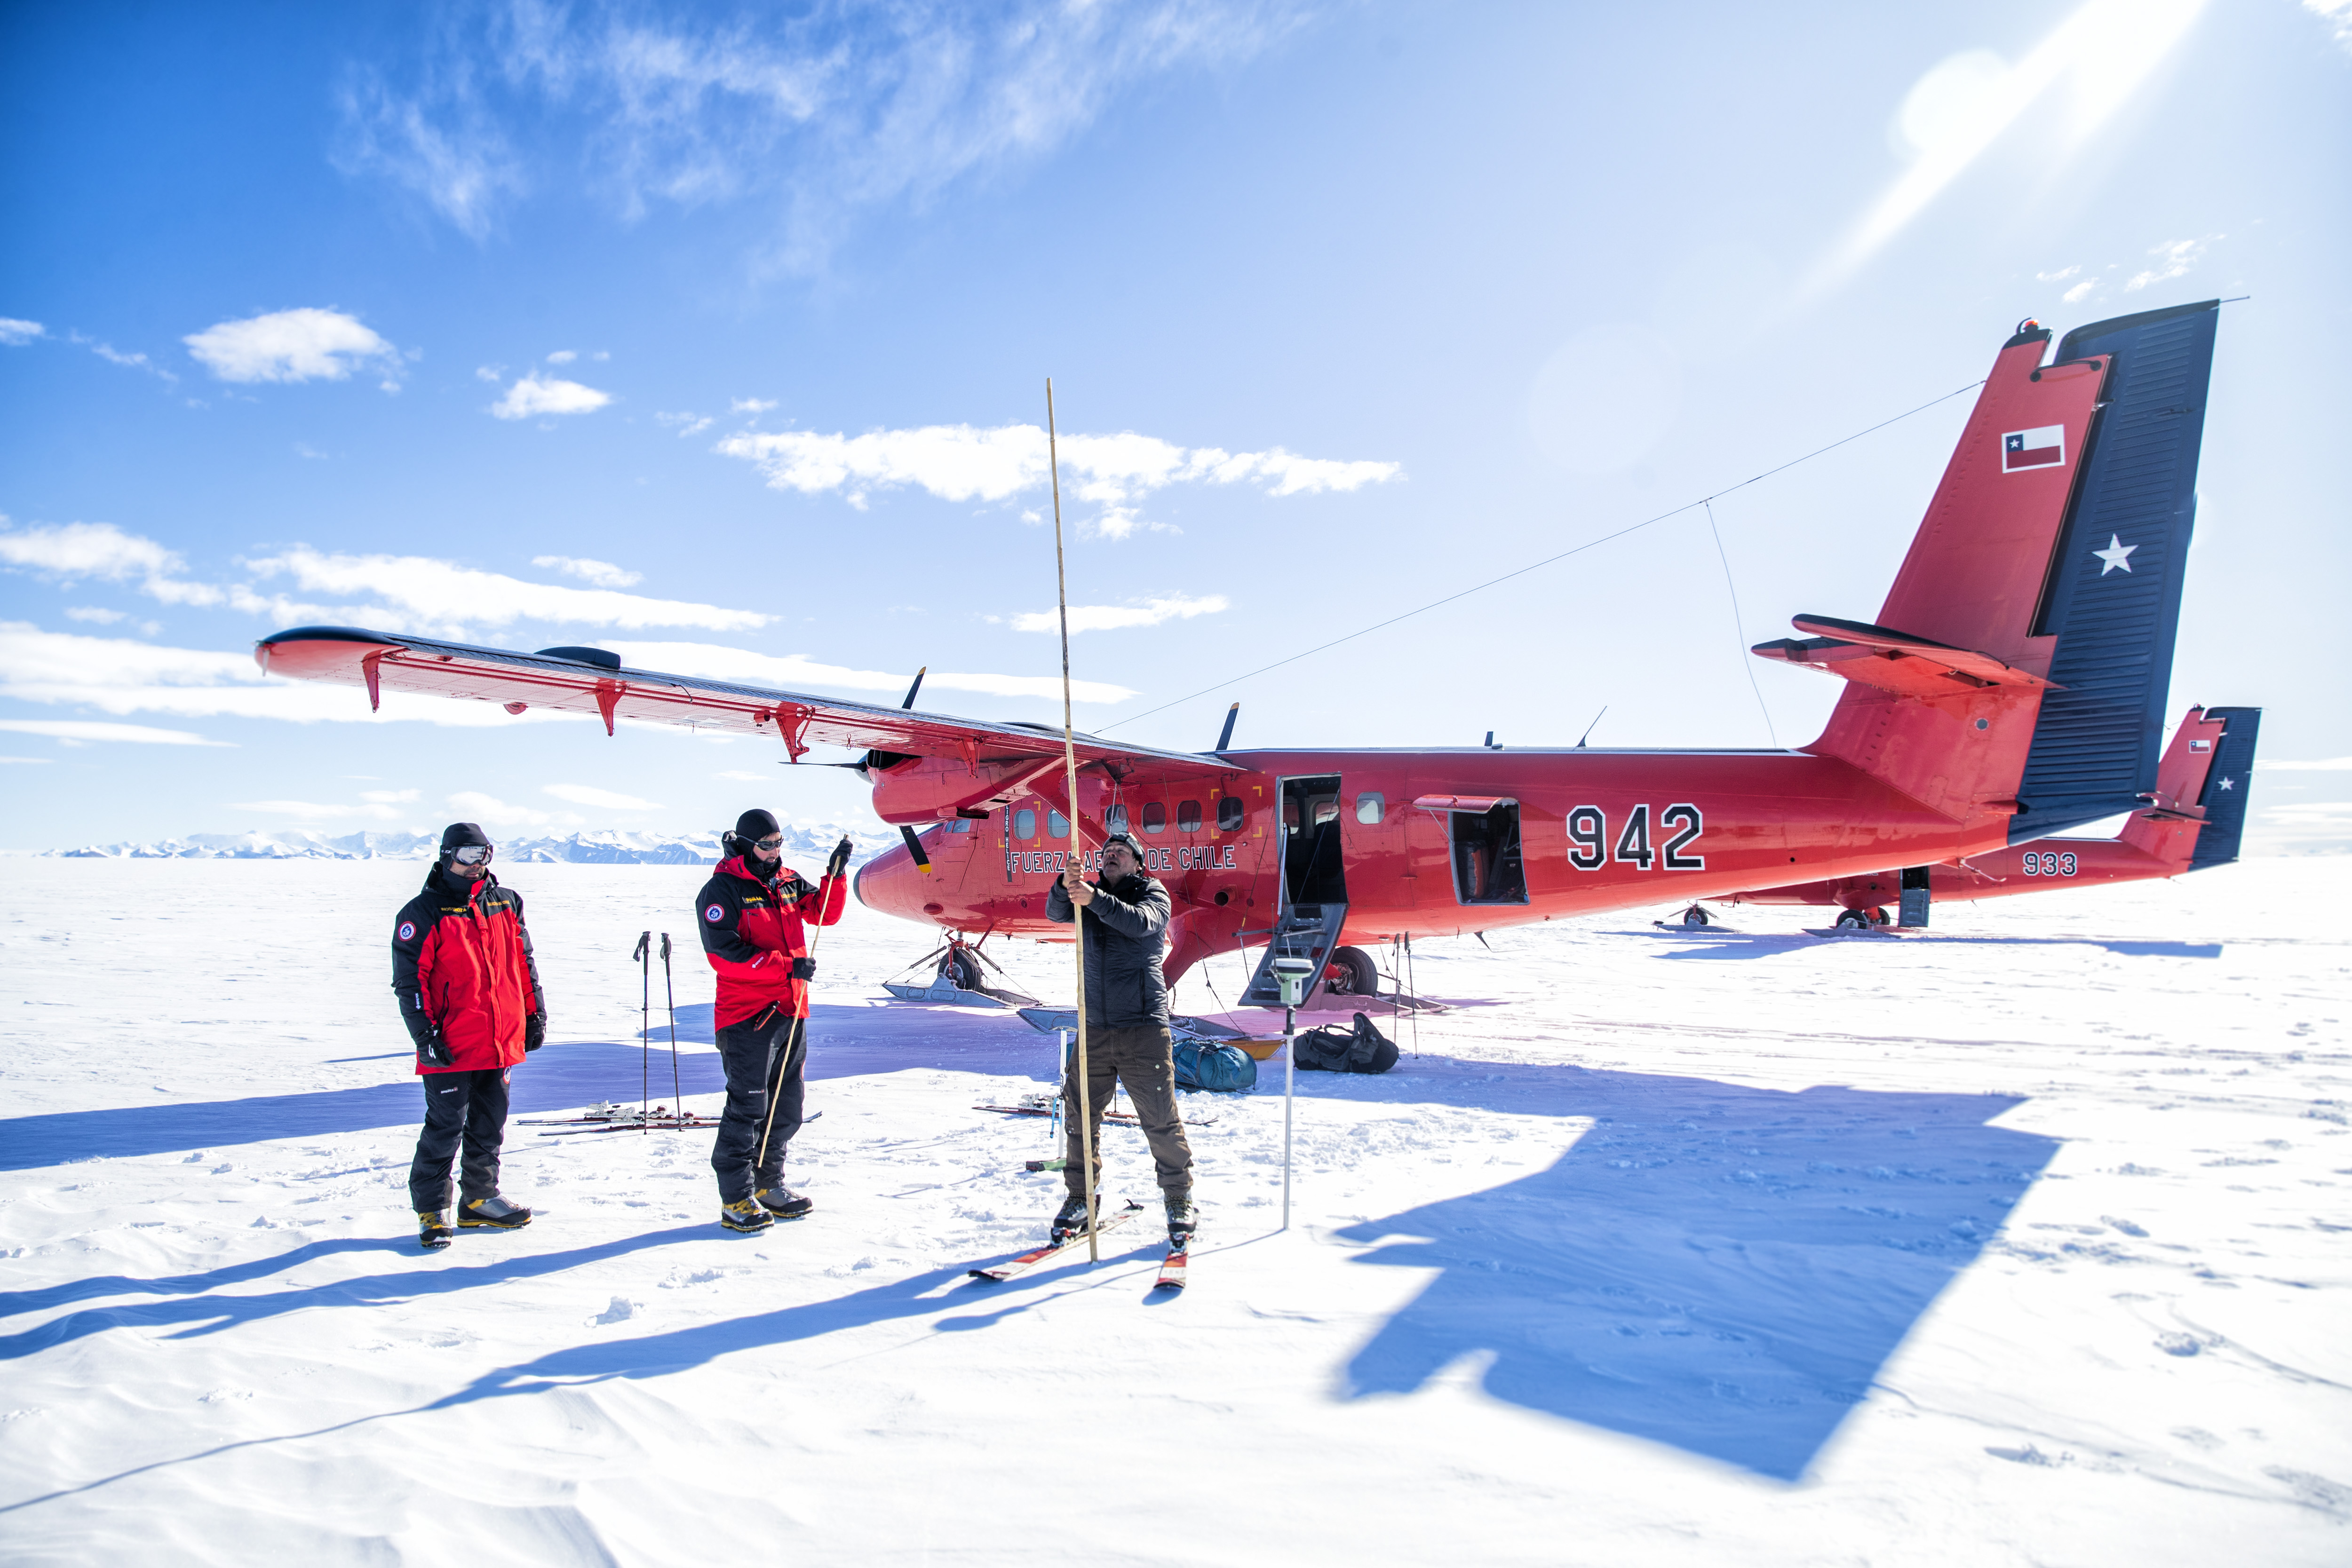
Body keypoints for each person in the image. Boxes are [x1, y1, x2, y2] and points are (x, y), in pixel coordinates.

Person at [392, 822, 547, 1251]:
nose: (477, 864)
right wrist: (424, 1033)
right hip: (452, 1042)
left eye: (484, 854)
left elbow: (523, 961)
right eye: (467, 855)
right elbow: (411, 981)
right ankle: (432, 1209)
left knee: (489, 1125)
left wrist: (534, 1015)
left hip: (500, 1037)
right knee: (446, 1126)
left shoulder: (506, 902)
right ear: (447, 857)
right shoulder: (422, 913)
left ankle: (480, 1198)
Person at [695, 810, 849, 1233]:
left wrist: (835, 877)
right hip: (748, 1017)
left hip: (791, 1010)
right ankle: (736, 1197)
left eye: (780, 843)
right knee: (748, 1108)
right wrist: (787, 968)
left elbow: (823, 914)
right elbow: (723, 955)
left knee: (786, 1107)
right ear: (746, 844)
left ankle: (768, 1185)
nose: (775, 851)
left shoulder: (786, 880)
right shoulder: (722, 889)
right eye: (767, 844)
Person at [1047, 830, 1194, 1248]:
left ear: (1137, 863)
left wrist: (1092, 899)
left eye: (1120, 852)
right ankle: (1080, 1196)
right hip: (1094, 1027)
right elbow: (1056, 910)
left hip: (1143, 1028)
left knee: (1159, 1119)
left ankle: (1179, 1198)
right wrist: (1065, 886)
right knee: (1080, 1117)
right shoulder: (1087, 899)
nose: (1111, 856)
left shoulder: (1153, 894)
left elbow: (1139, 924)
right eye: (1106, 852)